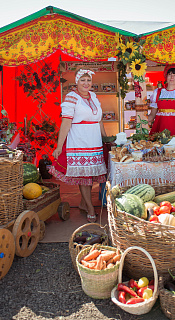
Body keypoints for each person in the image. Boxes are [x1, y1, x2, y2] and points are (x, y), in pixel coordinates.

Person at [50, 68, 107, 223]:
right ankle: (90, 209)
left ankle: (83, 203)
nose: (86, 83)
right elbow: (66, 123)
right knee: (84, 177)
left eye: (88, 80)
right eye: (83, 80)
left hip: (94, 140)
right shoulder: (71, 98)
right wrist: (59, 146)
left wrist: (106, 138)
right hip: (79, 140)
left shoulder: (94, 96)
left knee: (90, 176)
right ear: (76, 81)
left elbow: (99, 120)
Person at [148, 64, 175, 135]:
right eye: (170, 74)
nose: (172, 77)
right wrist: (141, 121)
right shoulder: (158, 92)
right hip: (160, 127)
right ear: (166, 76)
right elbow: (152, 115)